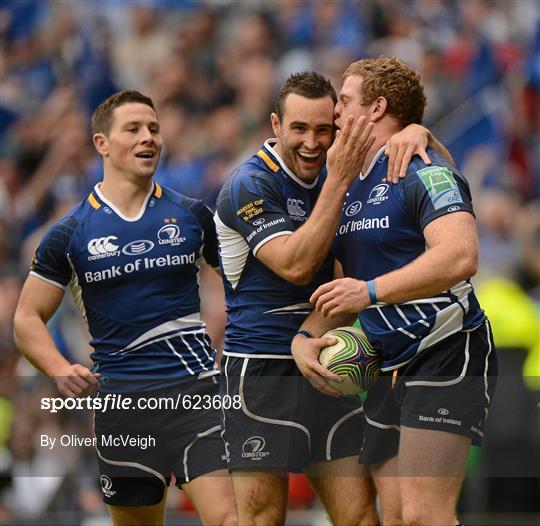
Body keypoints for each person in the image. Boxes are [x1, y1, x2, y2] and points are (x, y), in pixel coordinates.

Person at [215, 71, 449, 526]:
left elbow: (431, 168)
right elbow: (297, 265)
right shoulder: (249, 183)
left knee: (361, 516)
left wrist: (419, 132)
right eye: (299, 129)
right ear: (275, 125)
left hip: (333, 361)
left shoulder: (338, 167)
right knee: (262, 517)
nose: (312, 142)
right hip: (261, 370)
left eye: (324, 129)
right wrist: (338, 180)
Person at [13, 90, 237, 526]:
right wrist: (59, 368)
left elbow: (243, 285)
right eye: (133, 129)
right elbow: (25, 319)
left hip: (197, 396)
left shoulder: (192, 216)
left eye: (153, 128)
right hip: (124, 408)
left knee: (229, 518)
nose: (148, 138)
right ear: (101, 143)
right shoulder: (70, 233)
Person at [291, 57, 498, 526]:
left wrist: (369, 292)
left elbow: (460, 256)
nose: (334, 113)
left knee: (427, 516)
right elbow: (343, 285)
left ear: (377, 107)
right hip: (386, 361)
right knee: (400, 516)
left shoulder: (424, 167)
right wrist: (303, 338)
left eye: (344, 101)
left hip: (445, 347)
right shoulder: (345, 184)